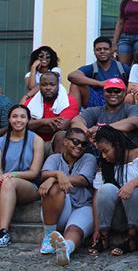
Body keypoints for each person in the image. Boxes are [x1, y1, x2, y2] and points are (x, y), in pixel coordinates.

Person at [89, 126, 138, 256]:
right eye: (101, 152)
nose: (103, 156)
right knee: (106, 189)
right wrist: (96, 228)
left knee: (135, 190)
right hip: (119, 218)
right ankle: (104, 238)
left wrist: (131, 184)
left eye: (106, 151)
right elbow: (97, 195)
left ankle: (131, 239)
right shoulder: (105, 165)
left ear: (117, 145)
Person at [38, 127, 96, 266]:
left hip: (82, 205)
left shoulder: (89, 158)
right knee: (55, 189)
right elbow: (43, 174)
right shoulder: (54, 158)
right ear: (65, 142)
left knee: (74, 230)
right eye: (75, 141)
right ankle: (48, 236)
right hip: (56, 210)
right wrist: (58, 175)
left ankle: (66, 250)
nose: (79, 146)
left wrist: (53, 178)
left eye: (84, 144)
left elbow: (83, 179)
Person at [0, 105, 44, 247]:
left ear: (28, 120)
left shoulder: (36, 140)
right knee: (7, 183)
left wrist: (11, 175)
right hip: (5, 183)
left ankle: (3, 232)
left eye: (22, 117)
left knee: (9, 183)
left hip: (28, 186)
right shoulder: (1, 141)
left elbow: (34, 172)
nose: (18, 120)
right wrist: (3, 176)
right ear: (9, 119)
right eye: (14, 116)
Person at [71, 78, 138, 143]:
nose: (113, 94)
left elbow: (133, 122)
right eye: (109, 91)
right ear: (104, 93)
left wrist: (101, 130)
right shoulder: (96, 110)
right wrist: (88, 133)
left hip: (123, 151)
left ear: (124, 93)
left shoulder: (131, 108)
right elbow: (75, 121)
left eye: (117, 91)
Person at [25, 71, 79, 154]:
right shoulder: (30, 103)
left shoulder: (69, 101)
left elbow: (60, 126)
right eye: (44, 85)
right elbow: (23, 124)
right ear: (39, 86)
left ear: (58, 85)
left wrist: (34, 125)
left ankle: (59, 166)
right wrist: (45, 121)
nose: (48, 88)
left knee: (61, 135)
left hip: (55, 143)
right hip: (33, 142)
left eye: (52, 84)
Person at [68, 37, 130, 108]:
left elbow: (134, 84)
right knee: (75, 84)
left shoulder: (122, 68)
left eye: (105, 49)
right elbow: (72, 76)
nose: (102, 51)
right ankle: (73, 116)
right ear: (94, 51)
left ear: (111, 50)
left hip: (117, 100)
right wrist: (100, 83)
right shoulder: (91, 68)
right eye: (98, 49)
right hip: (97, 102)